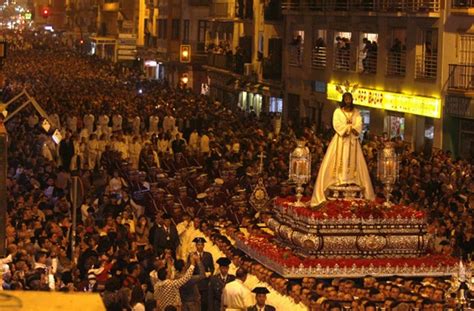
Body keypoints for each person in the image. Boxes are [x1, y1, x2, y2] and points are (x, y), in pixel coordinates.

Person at [310, 92, 375, 206]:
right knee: (341, 159)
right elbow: (337, 124)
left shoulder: (356, 112)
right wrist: (347, 128)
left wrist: (353, 129)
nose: (348, 100)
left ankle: (351, 179)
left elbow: (359, 124)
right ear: (343, 99)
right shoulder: (338, 111)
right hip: (341, 139)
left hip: (353, 141)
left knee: (353, 161)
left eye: (349, 98)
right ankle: (340, 178)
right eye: (346, 98)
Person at [190, 237, 214, 311]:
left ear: (204, 246)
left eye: (201, 245)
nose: (199, 246)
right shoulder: (191, 255)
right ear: (196, 246)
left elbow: (212, 267)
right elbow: (189, 269)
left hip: (205, 281)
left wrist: (210, 273)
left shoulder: (208, 255)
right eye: (198, 245)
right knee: (196, 301)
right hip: (195, 281)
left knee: (204, 301)